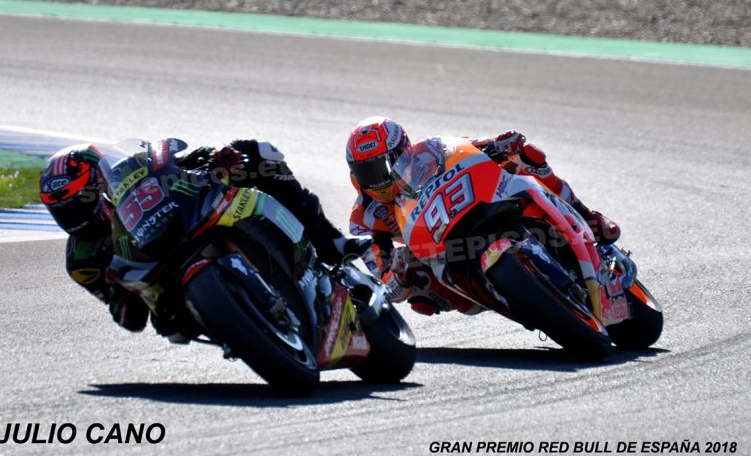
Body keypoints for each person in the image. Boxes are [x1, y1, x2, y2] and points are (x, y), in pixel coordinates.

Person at [40, 139, 370, 336]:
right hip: (171, 299)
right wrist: (121, 291)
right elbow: (130, 321)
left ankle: (330, 244)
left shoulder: (132, 173)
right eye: (62, 213)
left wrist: (217, 157)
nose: (75, 219)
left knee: (258, 154)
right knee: (172, 324)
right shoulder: (82, 260)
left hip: (187, 225)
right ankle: (247, 328)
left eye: (79, 203)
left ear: (99, 185)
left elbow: (178, 164)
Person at [345, 116, 621, 316]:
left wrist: (502, 142)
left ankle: (587, 215)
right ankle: (506, 293)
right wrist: (399, 276)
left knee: (527, 159)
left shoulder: (429, 151)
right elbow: (386, 285)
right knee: (421, 297)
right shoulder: (363, 219)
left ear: (401, 152)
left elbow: (473, 147)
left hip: (467, 206)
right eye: (365, 173)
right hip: (430, 247)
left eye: (380, 169)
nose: (375, 182)